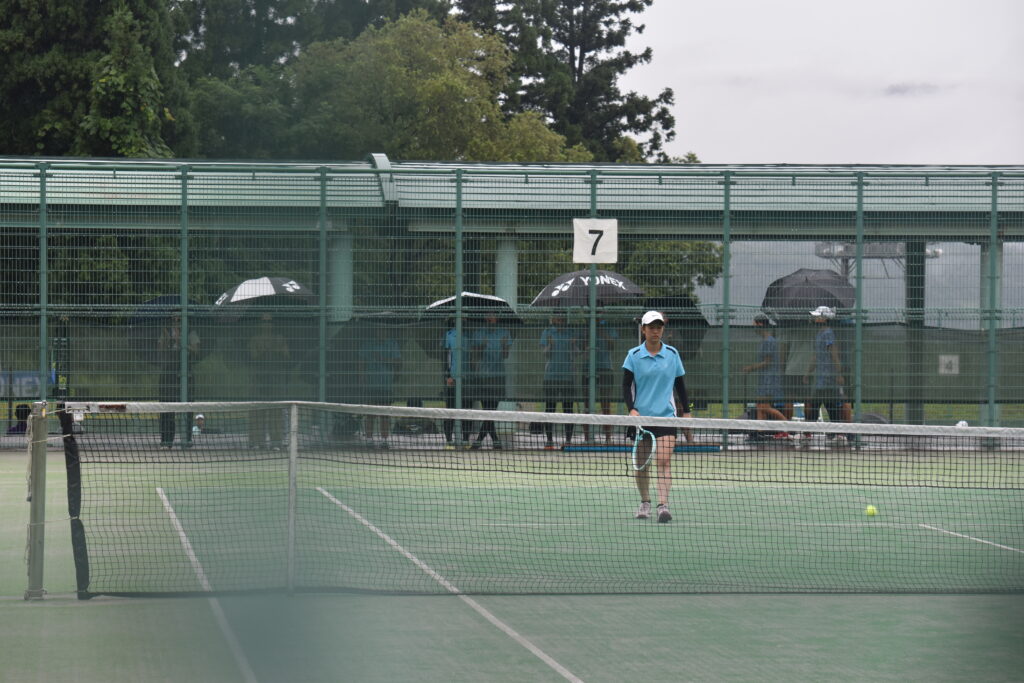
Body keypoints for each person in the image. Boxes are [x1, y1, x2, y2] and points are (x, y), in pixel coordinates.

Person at [623, 311, 693, 523]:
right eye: (651, 327)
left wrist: (687, 411)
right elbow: (626, 386)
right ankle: (645, 502)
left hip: (666, 417)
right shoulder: (633, 355)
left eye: (659, 327)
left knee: (663, 460)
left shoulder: (672, 354)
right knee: (641, 465)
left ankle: (663, 506)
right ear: (643, 330)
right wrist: (632, 409)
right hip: (641, 420)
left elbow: (680, 386)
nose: (655, 331)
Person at [802, 306, 851, 447]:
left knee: (823, 404)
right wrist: (808, 373)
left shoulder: (828, 333)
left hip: (829, 378)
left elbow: (834, 354)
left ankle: (833, 433)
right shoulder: (819, 334)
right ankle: (835, 433)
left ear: (824, 318)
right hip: (820, 378)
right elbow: (816, 356)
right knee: (826, 404)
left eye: (817, 316)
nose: (814, 318)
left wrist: (838, 374)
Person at [248, 313, 291, 450]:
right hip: (259, 378)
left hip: (276, 379)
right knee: (257, 410)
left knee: (276, 410)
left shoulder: (280, 338)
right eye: (264, 321)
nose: (267, 324)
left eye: (269, 321)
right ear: (260, 323)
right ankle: (256, 441)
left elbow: (287, 356)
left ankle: (276, 442)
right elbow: (253, 356)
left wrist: (277, 349)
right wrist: (266, 351)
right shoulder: (254, 339)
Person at [469, 314, 511, 449]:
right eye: (487, 316)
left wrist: (504, 346)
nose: (489, 318)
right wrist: (482, 345)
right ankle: (493, 441)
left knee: (492, 409)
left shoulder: (504, 333)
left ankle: (482, 440)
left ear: (497, 318)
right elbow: (474, 353)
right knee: (487, 409)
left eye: (492, 316)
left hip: (498, 375)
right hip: (483, 375)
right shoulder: (478, 333)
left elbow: (506, 355)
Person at [742, 315, 788, 438]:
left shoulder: (769, 341)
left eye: (754, 325)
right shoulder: (764, 341)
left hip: (770, 379)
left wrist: (751, 368)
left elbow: (767, 362)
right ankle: (759, 432)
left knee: (764, 406)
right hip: (764, 379)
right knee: (760, 406)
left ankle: (787, 427)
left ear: (760, 325)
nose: (753, 328)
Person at [158, 314, 200, 448]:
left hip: (186, 372)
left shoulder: (191, 332)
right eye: (174, 319)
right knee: (167, 406)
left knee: (187, 406)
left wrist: (181, 342)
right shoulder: (166, 332)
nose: (176, 321)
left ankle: (186, 439)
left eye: (179, 319)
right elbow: (160, 350)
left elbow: (196, 350)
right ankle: (166, 440)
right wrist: (167, 340)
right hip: (169, 372)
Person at [540, 314, 578, 449]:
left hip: (568, 376)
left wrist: (573, 344)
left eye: (562, 318)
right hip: (551, 376)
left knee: (568, 408)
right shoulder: (547, 332)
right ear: (553, 319)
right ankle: (549, 440)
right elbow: (544, 353)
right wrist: (550, 345)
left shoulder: (571, 332)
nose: (559, 320)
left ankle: (568, 439)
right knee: (550, 408)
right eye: (557, 318)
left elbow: (577, 353)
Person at [358, 336, 402, 448]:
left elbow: (397, 362)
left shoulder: (392, 344)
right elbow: (361, 362)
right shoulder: (367, 343)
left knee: (385, 414)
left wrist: (383, 359)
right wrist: (362, 378)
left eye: (384, 330)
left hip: (386, 386)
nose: (381, 332)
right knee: (370, 414)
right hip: (371, 385)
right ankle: (369, 440)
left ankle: (384, 440)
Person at [581, 318, 619, 444]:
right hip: (587, 368)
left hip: (605, 368)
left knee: (606, 403)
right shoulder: (585, 328)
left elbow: (612, 345)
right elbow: (579, 347)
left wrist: (602, 333)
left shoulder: (609, 327)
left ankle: (608, 437)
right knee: (587, 404)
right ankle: (587, 438)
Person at [442, 321, 472, 448]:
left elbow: (473, 357)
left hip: (467, 378)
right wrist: (447, 375)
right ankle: (449, 441)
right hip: (453, 378)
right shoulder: (449, 335)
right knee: (450, 409)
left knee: (467, 409)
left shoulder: (469, 335)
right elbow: (445, 356)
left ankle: (465, 440)